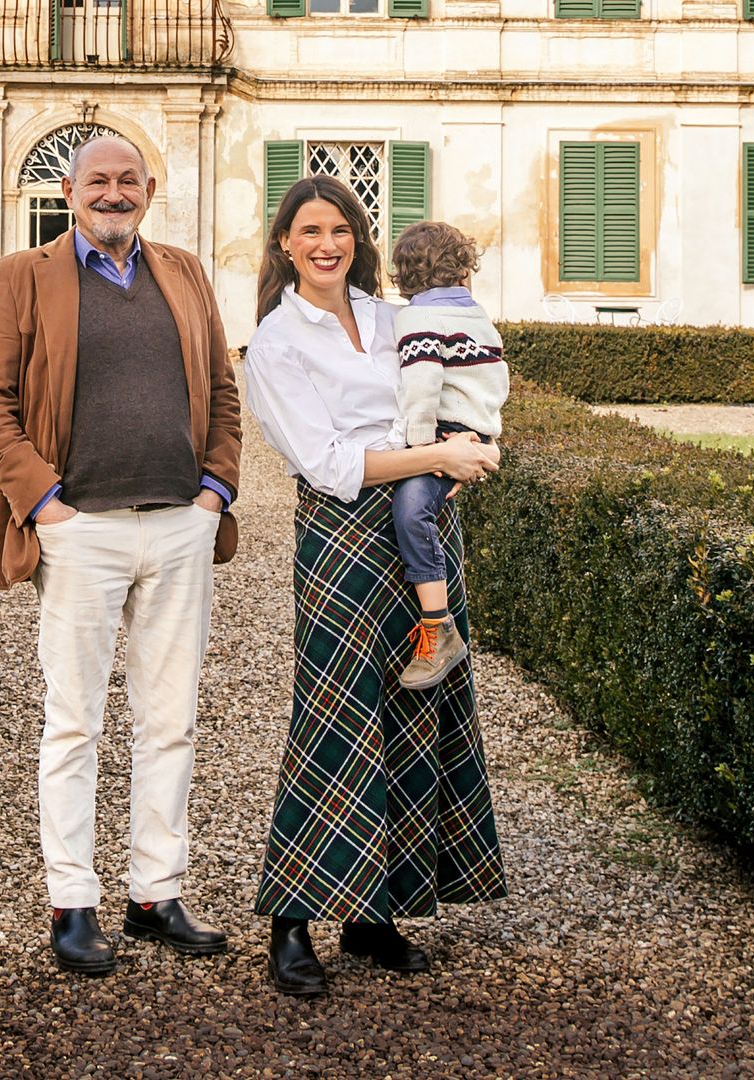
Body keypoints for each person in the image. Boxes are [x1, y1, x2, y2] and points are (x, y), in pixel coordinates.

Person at [0, 135, 243, 975]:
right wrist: (44, 504)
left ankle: (156, 891)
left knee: (170, 722)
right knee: (75, 721)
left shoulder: (185, 272)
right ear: (68, 189)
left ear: (149, 190)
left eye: (128, 180)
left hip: (179, 525)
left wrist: (214, 491)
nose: (113, 193)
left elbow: (223, 389)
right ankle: (72, 899)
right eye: (98, 181)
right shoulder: (24, 274)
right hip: (80, 530)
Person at [242, 176, 509, 997]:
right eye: (310, 231)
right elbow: (328, 464)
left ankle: (372, 914)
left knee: (414, 712)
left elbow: (464, 378)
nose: (327, 244)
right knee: (334, 717)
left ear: (359, 239)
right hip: (343, 537)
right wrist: (438, 458)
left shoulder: (399, 318)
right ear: (285, 243)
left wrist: (468, 446)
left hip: (422, 530)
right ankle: (293, 921)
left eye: (342, 229)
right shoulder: (277, 343)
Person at [387, 221, 508, 690]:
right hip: (473, 434)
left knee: (411, 511)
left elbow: (422, 387)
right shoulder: (479, 317)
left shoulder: (417, 320)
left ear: (405, 277)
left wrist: (421, 449)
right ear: (463, 269)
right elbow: (495, 383)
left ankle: (438, 627)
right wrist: (486, 435)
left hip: (443, 436)